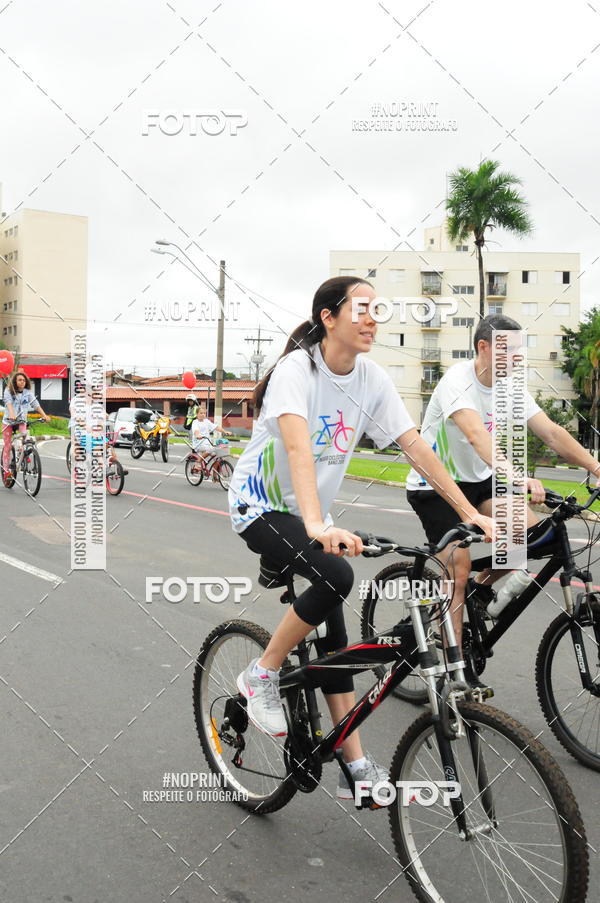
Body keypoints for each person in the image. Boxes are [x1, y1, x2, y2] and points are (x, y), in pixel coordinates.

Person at [228, 276, 494, 799]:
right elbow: (300, 451)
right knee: (336, 573)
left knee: (336, 645)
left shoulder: (371, 379)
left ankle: (355, 764)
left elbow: (415, 445)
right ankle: (261, 674)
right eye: (363, 309)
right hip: (259, 505)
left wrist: (468, 512)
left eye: (379, 310)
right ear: (329, 317)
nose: (374, 319)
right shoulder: (295, 370)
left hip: (310, 517)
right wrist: (316, 526)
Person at [406, 313, 600, 658]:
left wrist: (595, 466)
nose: (518, 359)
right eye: (510, 351)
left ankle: (479, 593)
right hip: (436, 485)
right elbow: (476, 435)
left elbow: (552, 433)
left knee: (532, 535)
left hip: (480, 481)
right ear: (484, 347)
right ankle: (454, 660)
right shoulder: (457, 380)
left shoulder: (511, 387)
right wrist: (516, 476)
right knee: (458, 566)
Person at [2, 371, 50, 481]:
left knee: (25, 438)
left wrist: (45, 416)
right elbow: (8, 403)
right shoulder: (8, 391)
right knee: (8, 446)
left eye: (24, 380)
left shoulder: (28, 393)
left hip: (21, 421)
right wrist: (12, 414)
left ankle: (23, 453)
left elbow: (35, 404)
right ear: (15, 381)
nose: (22, 382)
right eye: (19, 380)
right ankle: (6, 471)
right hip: (9, 422)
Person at [192, 406, 232, 481]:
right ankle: (198, 462)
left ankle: (215, 473)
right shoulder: (195, 422)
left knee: (218, 454)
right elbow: (196, 430)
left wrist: (225, 431)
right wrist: (198, 435)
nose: (203, 414)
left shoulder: (206, 421)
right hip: (198, 444)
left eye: (204, 413)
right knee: (210, 449)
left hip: (207, 443)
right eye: (201, 413)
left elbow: (216, 427)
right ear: (197, 414)